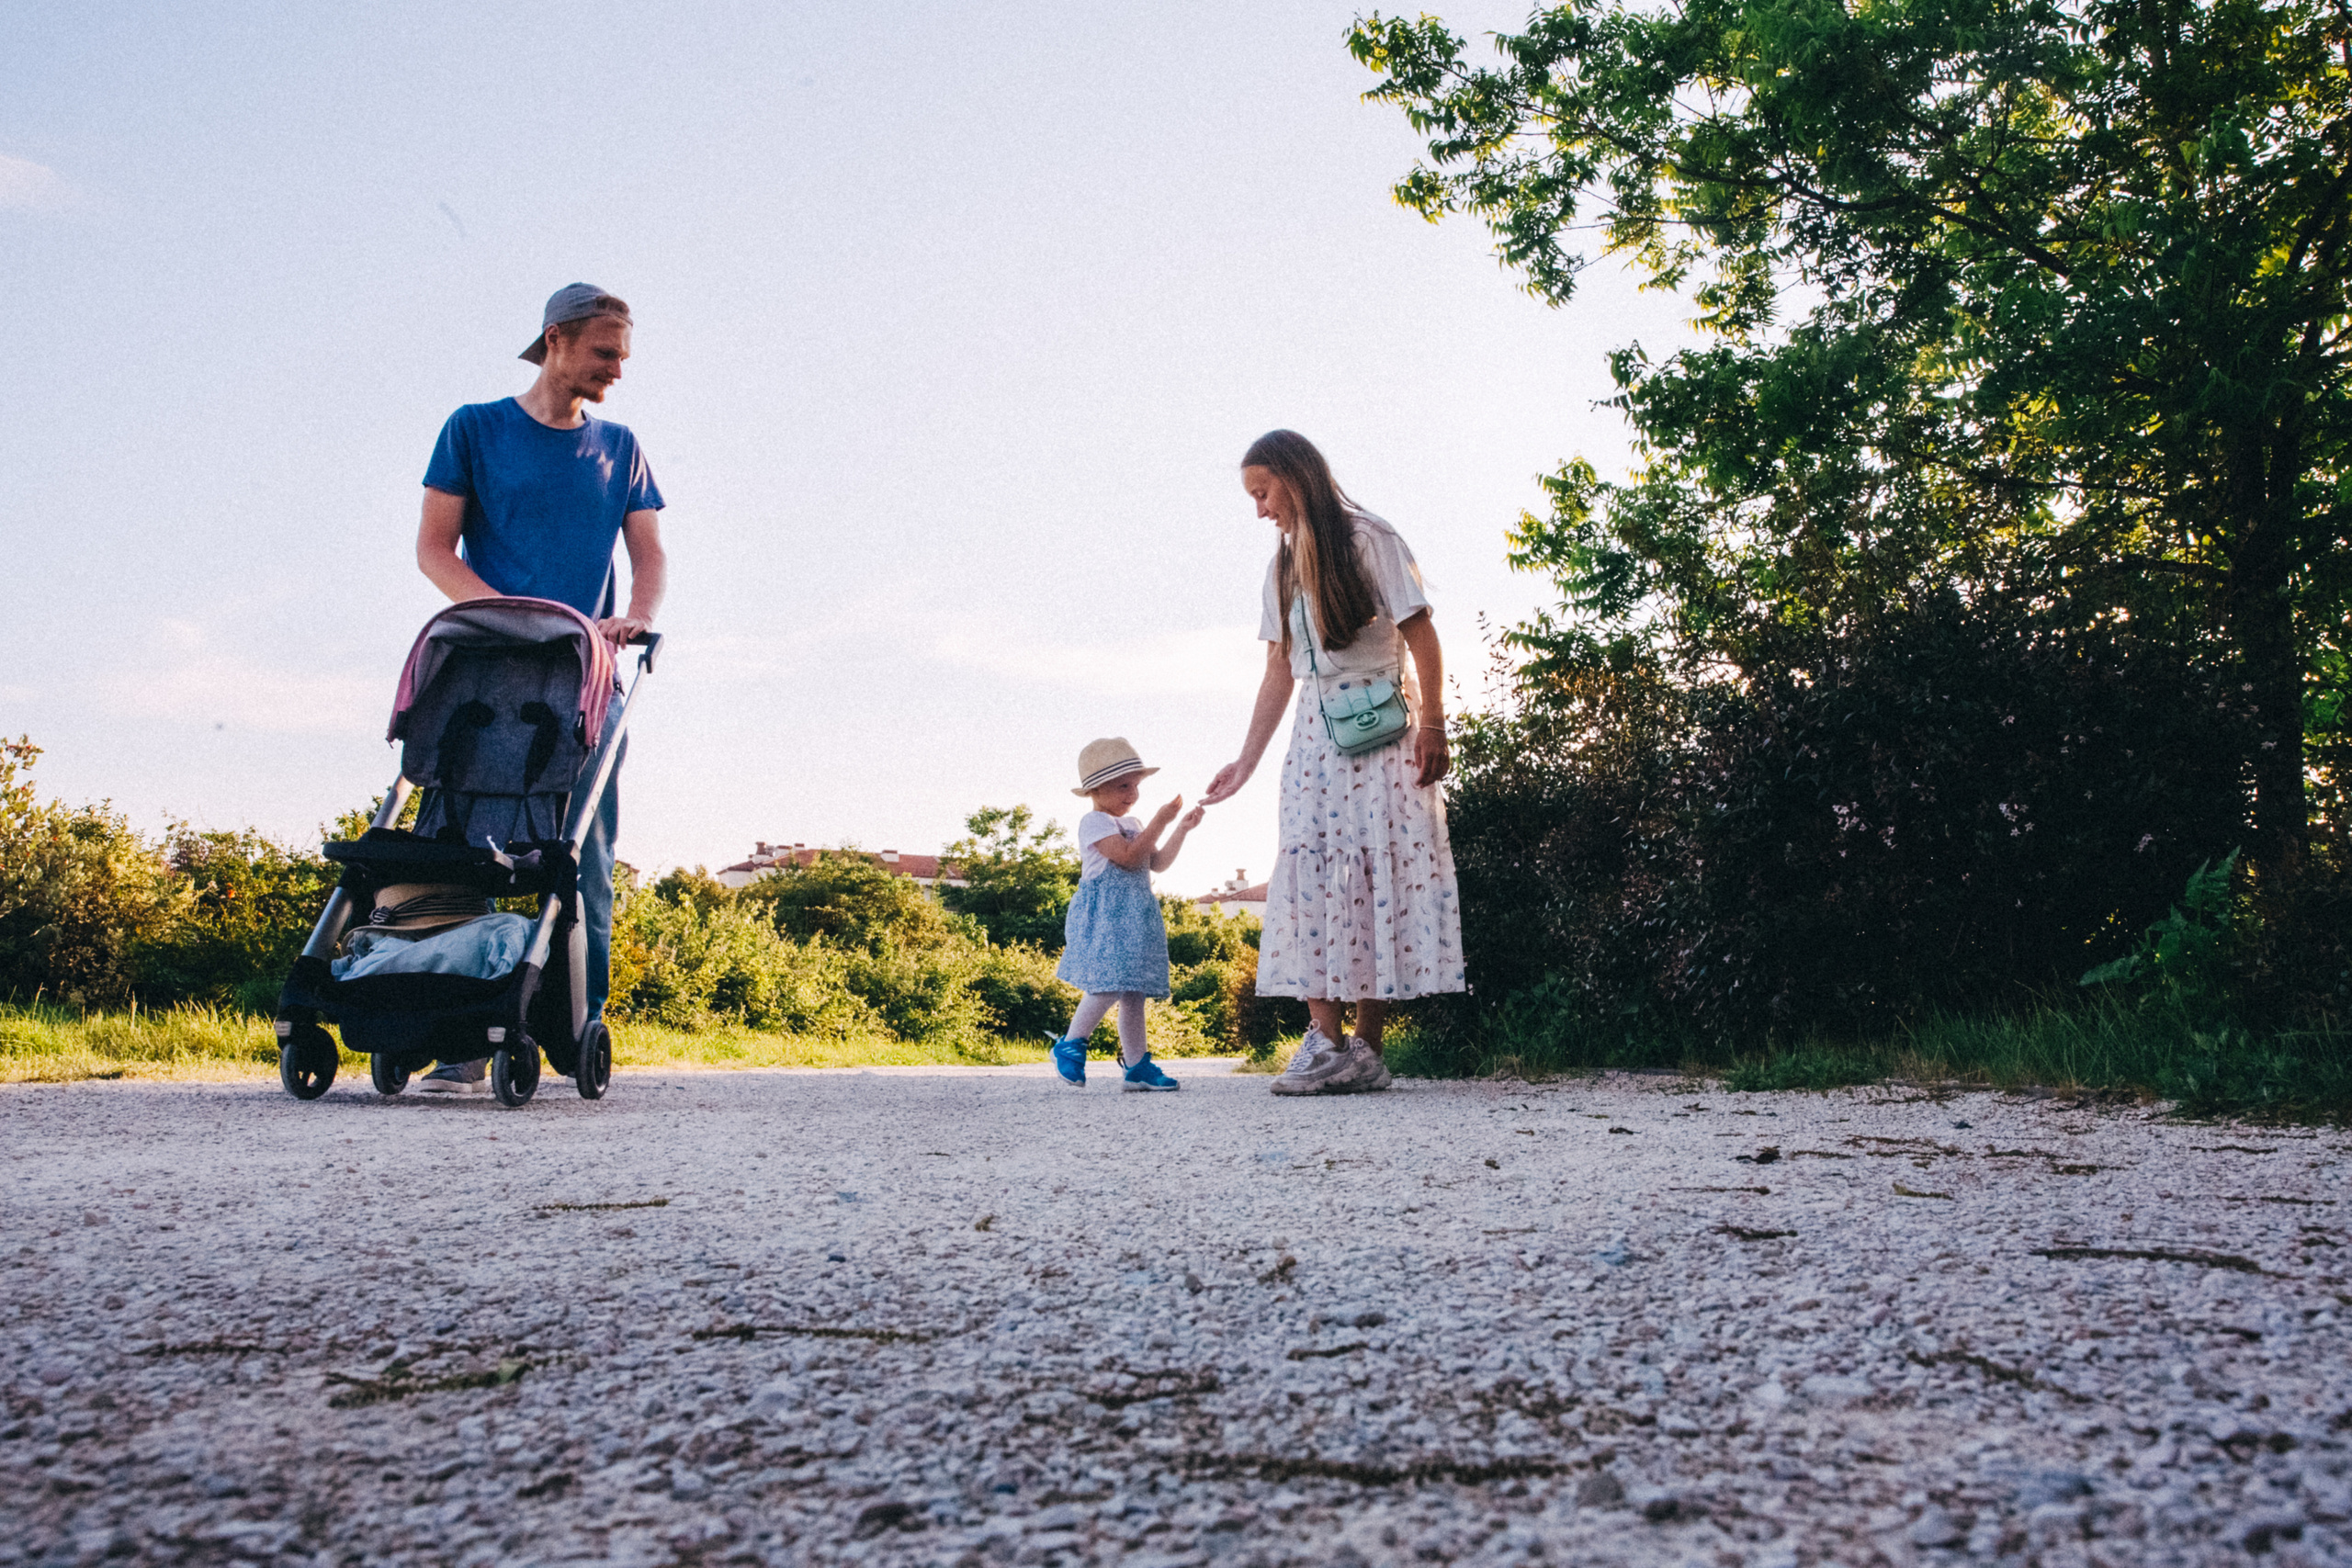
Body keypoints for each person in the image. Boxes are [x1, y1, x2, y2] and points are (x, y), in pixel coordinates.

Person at [408, 283, 669, 1093]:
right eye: (605, 352)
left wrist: (634, 615)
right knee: (461, 838)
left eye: (624, 356)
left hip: (586, 674)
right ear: (555, 340)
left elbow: (650, 554)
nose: (617, 370)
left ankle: (575, 1019)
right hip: (483, 671)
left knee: (585, 847)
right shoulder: (475, 428)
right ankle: (456, 1029)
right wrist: (502, 616)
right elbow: (434, 549)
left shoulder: (621, 447)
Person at [1201, 430, 1465, 1095]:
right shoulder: (1282, 567)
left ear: (1296, 477)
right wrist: (1245, 761)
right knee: (1313, 873)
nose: (1260, 508)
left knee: (1375, 872)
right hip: (1314, 741)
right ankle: (1322, 1039)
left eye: (1263, 491)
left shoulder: (1371, 538)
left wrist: (1433, 720)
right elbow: (1277, 672)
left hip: (1381, 729)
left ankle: (1366, 1049)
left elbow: (1421, 634)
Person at [1046, 738, 1205, 1091]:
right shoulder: (1094, 822)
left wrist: (1180, 828)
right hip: (1108, 915)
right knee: (1110, 982)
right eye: (1123, 786)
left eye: (1135, 785)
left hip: (1136, 915)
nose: (1133, 793)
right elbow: (1130, 857)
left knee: (1134, 991)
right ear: (1096, 789)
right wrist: (1160, 822)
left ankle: (1136, 1067)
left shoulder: (1133, 822)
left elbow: (1157, 863)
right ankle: (1071, 1044)